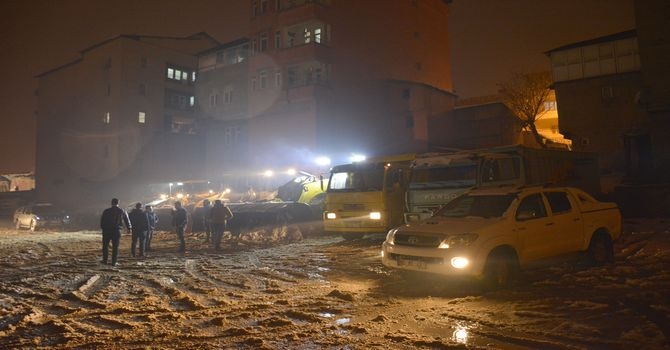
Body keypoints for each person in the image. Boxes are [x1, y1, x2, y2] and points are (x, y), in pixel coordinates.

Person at [100, 198, 131, 266]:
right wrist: (129, 228)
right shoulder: (122, 211)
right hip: (116, 231)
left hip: (107, 231)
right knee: (115, 247)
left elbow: (102, 221)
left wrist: (103, 229)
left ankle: (105, 260)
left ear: (111, 203)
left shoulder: (106, 211)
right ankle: (114, 262)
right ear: (118, 203)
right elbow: (127, 220)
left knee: (105, 246)